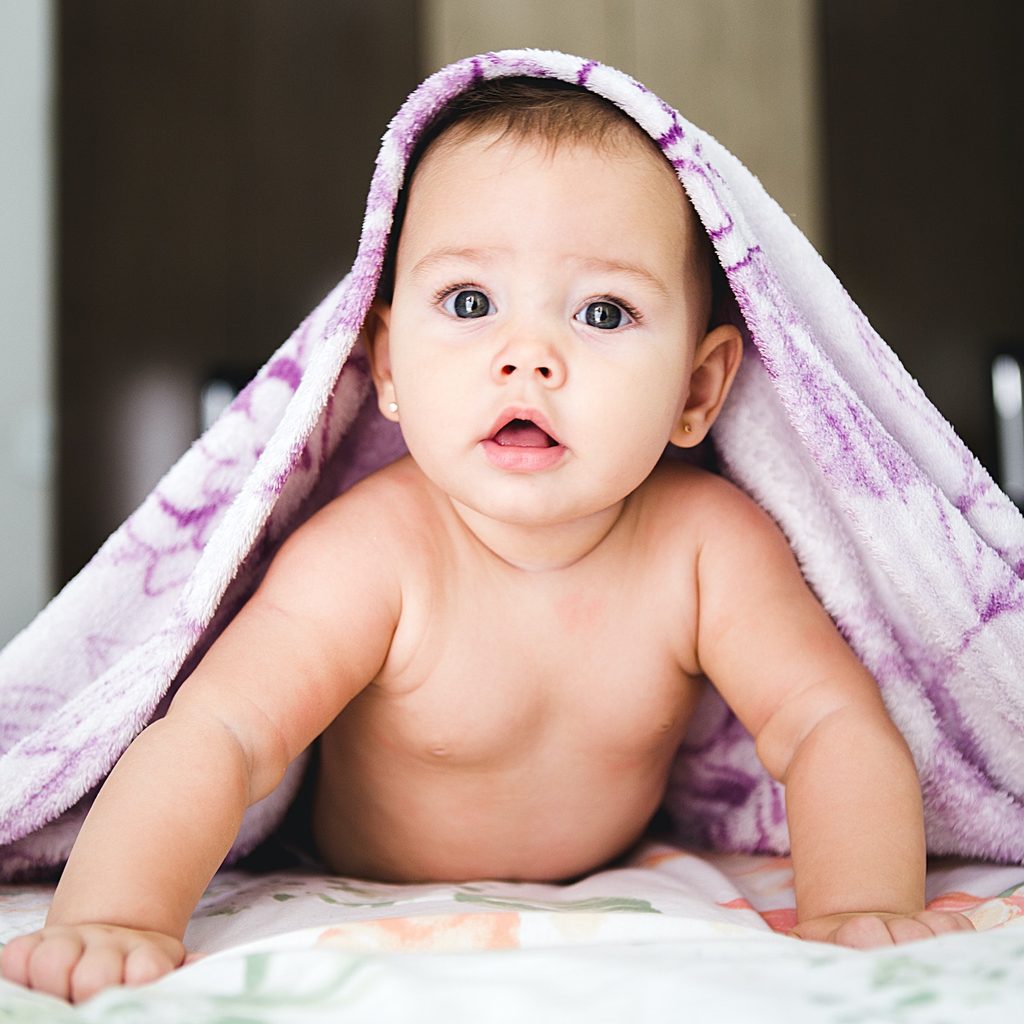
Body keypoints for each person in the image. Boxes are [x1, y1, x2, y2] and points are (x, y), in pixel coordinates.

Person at [0, 77, 973, 1003]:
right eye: (469, 302)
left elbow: (827, 724)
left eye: (602, 311)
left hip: (620, 859)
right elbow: (224, 734)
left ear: (696, 389)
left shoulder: (707, 547)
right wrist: (119, 914)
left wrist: (859, 907)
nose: (527, 356)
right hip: (355, 865)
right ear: (384, 364)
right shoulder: (374, 553)